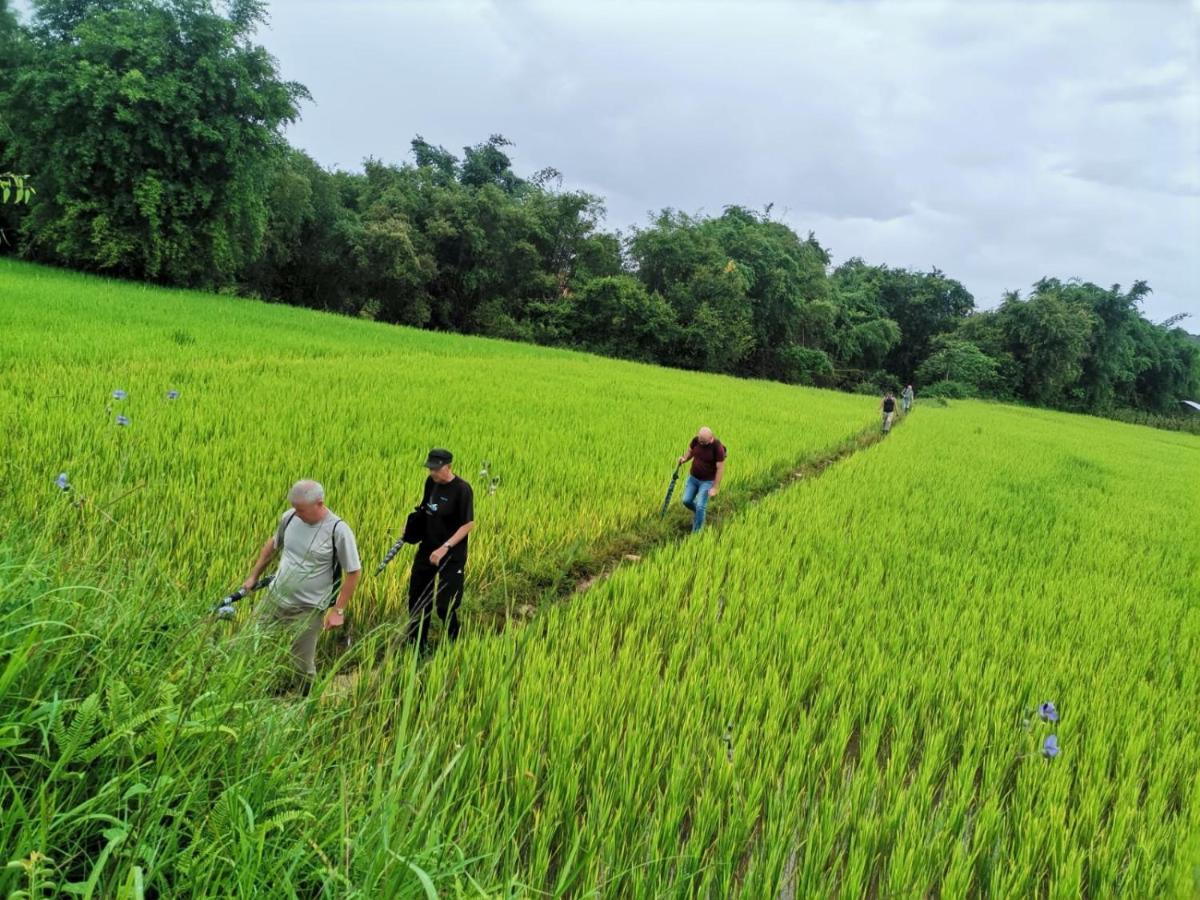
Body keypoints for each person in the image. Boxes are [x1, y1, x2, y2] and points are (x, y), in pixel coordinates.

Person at [241, 479, 361, 685]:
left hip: (308, 608)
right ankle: (243, 690)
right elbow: (273, 545)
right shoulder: (289, 518)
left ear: (320, 504)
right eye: (294, 508)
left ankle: (306, 704)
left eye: (302, 510)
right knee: (245, 643)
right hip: (274, 597)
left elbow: (353, 571)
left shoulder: (338, 530)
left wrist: (338, 611)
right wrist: (253, 576)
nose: (297, 514)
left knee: (301, 664)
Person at [407, 448, 475, 653]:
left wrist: (445, 547)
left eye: (436, 469)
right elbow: (424, 508)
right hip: (427, 548)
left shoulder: (462, 489)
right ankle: (418, 645)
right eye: (430, 469)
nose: (433, 473)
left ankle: (454, 642)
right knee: (418, 599)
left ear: (448, 466)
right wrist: (409, 526)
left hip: (451, 553)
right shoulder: (431, 483)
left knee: (445, 606)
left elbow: (468, 524)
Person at [677, 426, 726, 533]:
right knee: (686, 500)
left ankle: (696, 533)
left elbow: (720, 468)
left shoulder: (717, 448)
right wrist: (684, 459)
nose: (701, 444)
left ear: (711, 438)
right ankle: (700, 514)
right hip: (693, 478)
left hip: (707, 482)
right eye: (700, 441)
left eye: (704, 442)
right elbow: (690, 451)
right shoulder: (696, 440)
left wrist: (715, 487)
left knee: (700, 506)